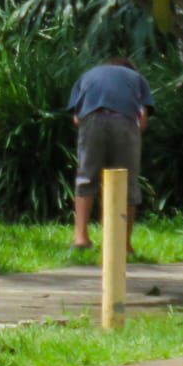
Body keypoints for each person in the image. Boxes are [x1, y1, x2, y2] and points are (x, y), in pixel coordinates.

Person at [67, 57, 155, 254]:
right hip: (124, 121)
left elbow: (76, 118)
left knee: (86, 178)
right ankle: (123, 244)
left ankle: (81, 238)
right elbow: (141, 121)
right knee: (126, 181)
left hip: (91, 120)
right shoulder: (137, 78)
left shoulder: (87, 76)